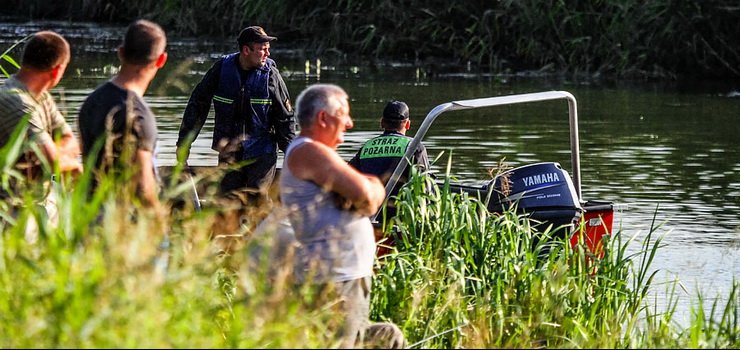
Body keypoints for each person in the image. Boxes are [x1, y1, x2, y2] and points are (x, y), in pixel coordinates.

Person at [280, 83, 406, 349]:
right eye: (344, 115)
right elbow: (368, 197)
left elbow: (358, 186)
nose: (349, 123)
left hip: (349, 276)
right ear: (323, 118)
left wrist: (364, 187)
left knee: (388, 337)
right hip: (333, 278)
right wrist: (370, 186)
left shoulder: (323, 155)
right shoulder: (309, 150)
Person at [176, 25, 295, 204]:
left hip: (262, 153)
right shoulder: (221, 70)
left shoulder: (271, 76)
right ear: (246, 50)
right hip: (228, 151)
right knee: (227, 204)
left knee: (257, 201)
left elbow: (285, 118)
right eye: (262, 50)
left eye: (268, 49)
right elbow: (197, 105)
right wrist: (184, 143)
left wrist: (292, 154)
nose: (267, 54)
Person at [77, 19, 167, 214]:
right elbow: (143, 188)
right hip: (124, 225)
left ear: (121, 53)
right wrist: (161, 225)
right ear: (161, 60)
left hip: (88, 217)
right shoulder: (138, 116)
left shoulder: (91, 102)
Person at [0, 30, 83, 242]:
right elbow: (52, 159)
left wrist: (52, 156)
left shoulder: (40, 96)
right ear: (57, 71)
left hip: (36, 203)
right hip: (10, 209)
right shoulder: (14, 100)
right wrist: (69, 164)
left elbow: (71, 142)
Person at [348, 100, 430, 217]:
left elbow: (349, 176)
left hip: (369, 216)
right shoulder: (414, 146)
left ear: (382, 122)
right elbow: (424, 185)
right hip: (399, 218)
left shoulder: (367, 146)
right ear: (407, 124)